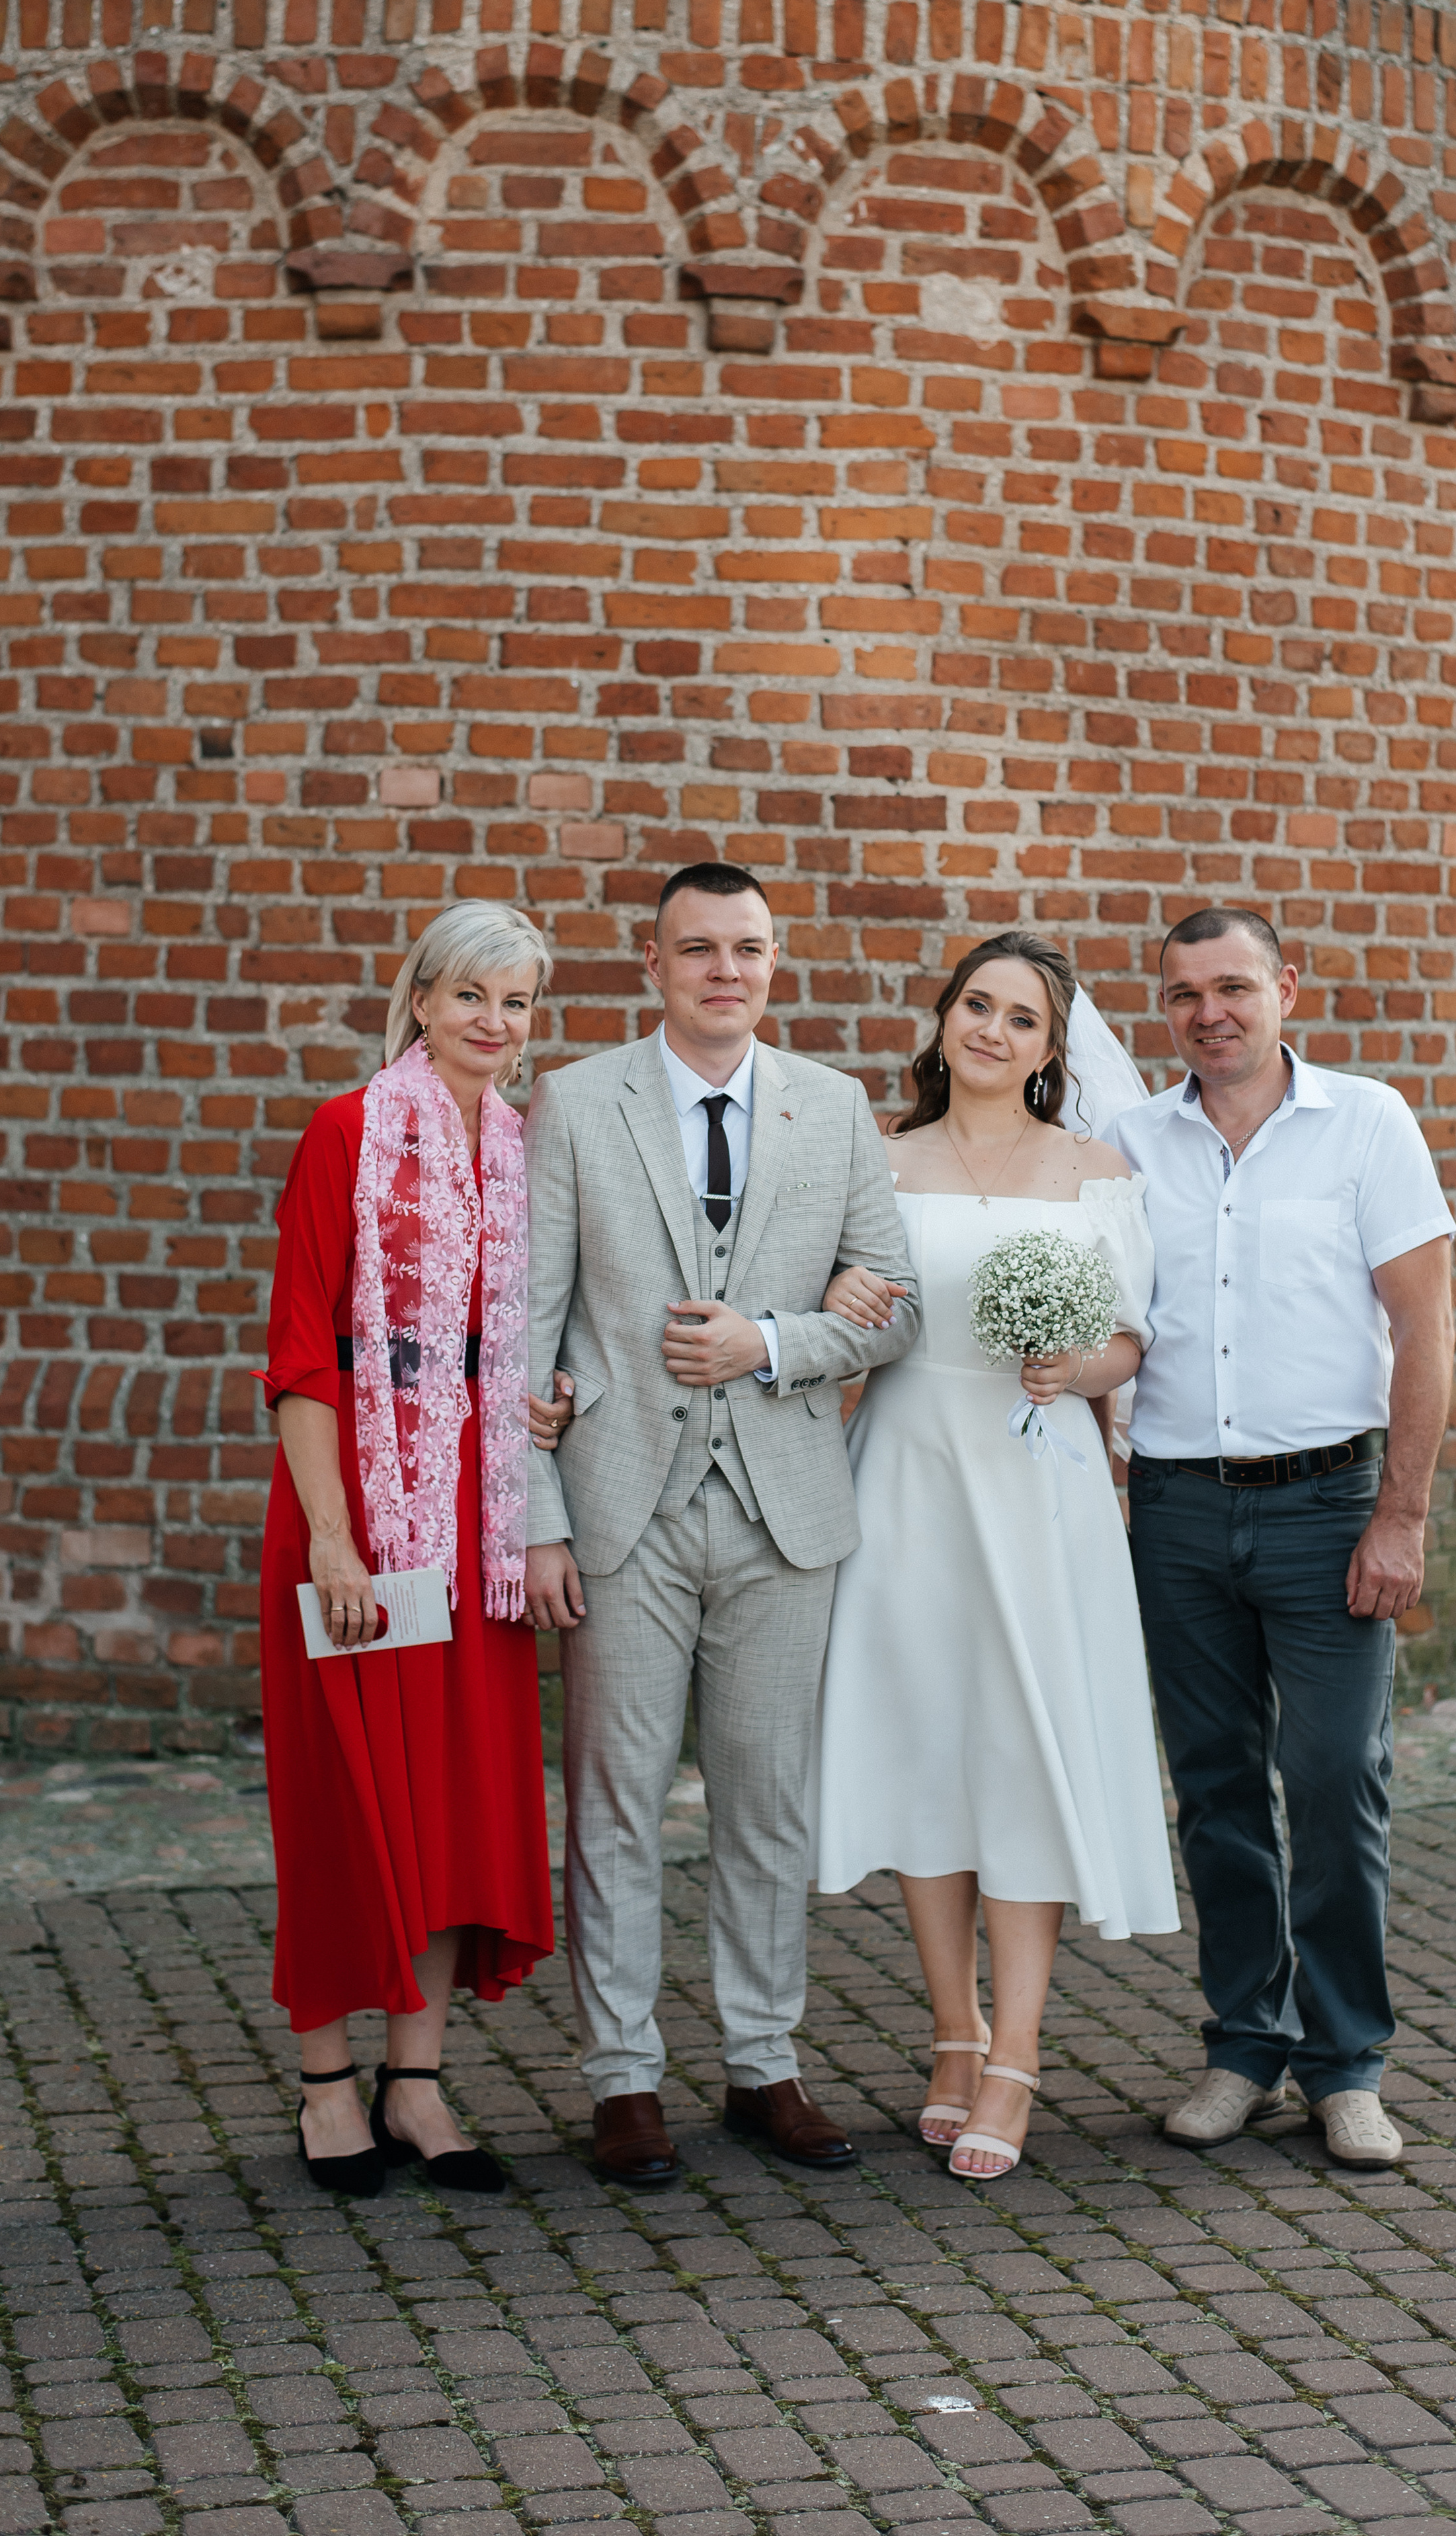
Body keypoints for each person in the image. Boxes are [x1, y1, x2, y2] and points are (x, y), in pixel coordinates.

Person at [522, 862, 920, 2188]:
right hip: (619, 1506)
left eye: (745, 948)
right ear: (651, 961)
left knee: (766, 1802)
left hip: (783, 1514)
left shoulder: (835, 1107)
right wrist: (536, 1522)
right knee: (615, 1804)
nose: (723, 972)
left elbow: (897, 1305)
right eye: (696, 949)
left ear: (773, 957)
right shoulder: (576, 1101)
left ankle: (763, 2060)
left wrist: (771, 1343)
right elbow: (529, 1325)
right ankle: (621, 2077)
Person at [809, 932, 1179, 2181]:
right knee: (925, 1745)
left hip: (1039, 1485)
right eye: (980, 1005)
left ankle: (1016, 2053)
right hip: (907, 1474)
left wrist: (1077, 1371)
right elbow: (842, 1320)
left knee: (1023, 1750)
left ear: (1052, 1051)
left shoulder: (1095, 1169)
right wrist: (843, 1315)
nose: (995, 1032)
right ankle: (952, 2031)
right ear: (947, 1017)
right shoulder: (880, 1159)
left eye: (1024, 1020)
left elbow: (1131, 1340)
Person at [1113, 907, 1455, 2170]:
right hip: (1180, 1508)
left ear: (1286, 991)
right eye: (1187, 993)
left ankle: (1346, 2062)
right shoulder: (1130, 1141)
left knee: (1331, 1782)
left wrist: (1400, 1516)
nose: (1213, 1012)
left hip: (1327, 1507)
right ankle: (1243, 2046)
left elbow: (1425, 1330)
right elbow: (1116, 1325)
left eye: (1235, 986)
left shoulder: (1368, 1124)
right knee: (1212, 1788)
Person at [259, 901, 558, 2197]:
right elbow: (301, 1349)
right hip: (358, 1512)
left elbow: (524, 1344)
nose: (495, 1023)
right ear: (422, 998)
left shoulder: (521, 1149)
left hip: (474, 1527)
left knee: (451, 1805)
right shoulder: (348, 1129)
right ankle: (329, 2085)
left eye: (519, 1003)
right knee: (345, 1799)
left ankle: (417, 2083)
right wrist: (330, 1535)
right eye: (473, 995)